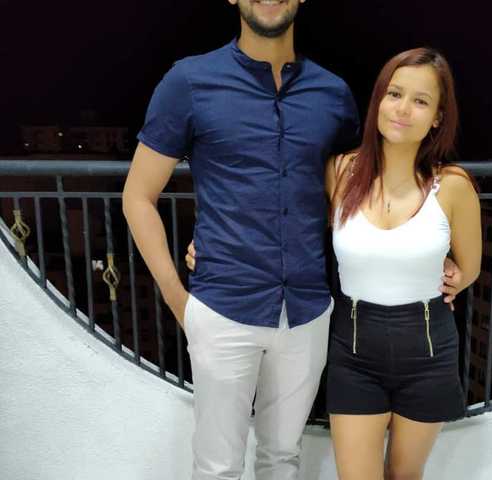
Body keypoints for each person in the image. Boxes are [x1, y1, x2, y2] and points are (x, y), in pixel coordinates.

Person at [122, 1, 360, 478]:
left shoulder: (333, 94)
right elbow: (138, 196)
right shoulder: (189, 81)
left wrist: (430, 250)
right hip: (222, 307)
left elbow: (356, 195)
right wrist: (178, 300)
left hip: (308, 310)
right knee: (217, 466)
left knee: (283, 458)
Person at [325, 47, 481, 480]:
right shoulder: (340, 172)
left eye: (420, 101)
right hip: (353, 345)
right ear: (378, 100)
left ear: (437, 118)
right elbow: (283, 215)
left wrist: (455, 277)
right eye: (394, 94)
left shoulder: (452, 186)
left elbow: (471, 267)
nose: (403, 109)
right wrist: (210, 243)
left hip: (428, 347)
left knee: (404, 475)